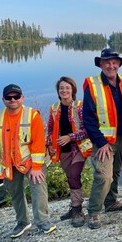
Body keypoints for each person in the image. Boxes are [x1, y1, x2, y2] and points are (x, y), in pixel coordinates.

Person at [0, 84, 56, 238]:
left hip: (29, 162)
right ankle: (23, 222)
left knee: (38, 188)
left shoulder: (32, 116)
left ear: (22, 98)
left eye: (16, 97)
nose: (13, 100)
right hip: (7, 165)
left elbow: (38, 143)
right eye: (9, 98)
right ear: (3, 99)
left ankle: (42, 221)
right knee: (15, 193)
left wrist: (36, 167)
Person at [83, 48, 122, 229]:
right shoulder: (93, 84)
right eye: (107, 62)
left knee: (117, 171)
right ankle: (94, 212)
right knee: (104, 176)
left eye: (114, 62)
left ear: (119, 64)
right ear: (101, 64)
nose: (111, 66)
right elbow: (88, 118)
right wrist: (101, 142)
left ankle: (111, 203)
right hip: (103, 141)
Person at [46, 76, 92, 227]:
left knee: (74, 174)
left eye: (67, 88)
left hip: (79, 148)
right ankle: (74, 207)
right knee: (70, 177)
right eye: (61, 88)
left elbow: (87, 130)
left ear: (73, 90)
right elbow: (51, 129)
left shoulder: (80, 107)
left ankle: (78, 210)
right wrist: (50, 144)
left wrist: (70, 137)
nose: (64, 90)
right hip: (62, 150)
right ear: (58, 92)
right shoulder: (54, 108)